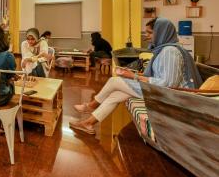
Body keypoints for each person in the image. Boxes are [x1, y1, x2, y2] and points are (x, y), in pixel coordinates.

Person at [69, 17, 203, 135]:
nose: (146, 35)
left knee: (114, 81)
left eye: (150, 32)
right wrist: (132, 74)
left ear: (162, 32)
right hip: (160, 91)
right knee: (115, 95)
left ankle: (91, 105)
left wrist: (133, 76)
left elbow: (168, 85)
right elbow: (161, 78)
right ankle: (88, 123)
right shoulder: (163, 50)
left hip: (171, 96)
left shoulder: (170, 52)